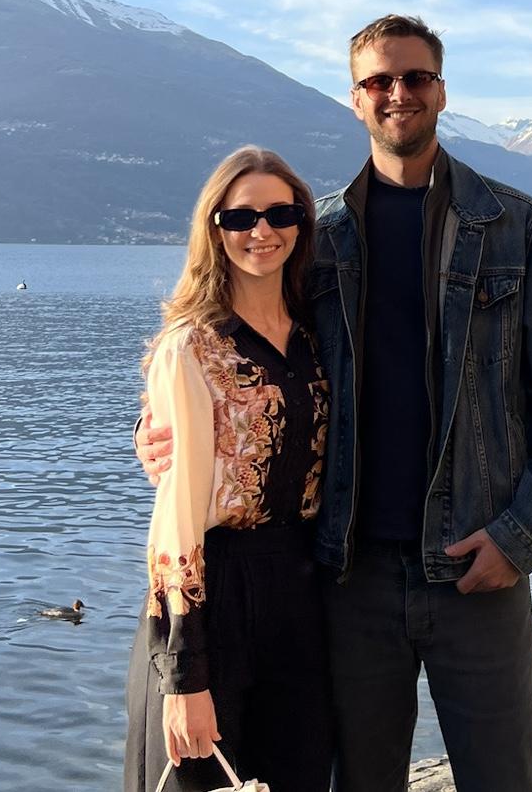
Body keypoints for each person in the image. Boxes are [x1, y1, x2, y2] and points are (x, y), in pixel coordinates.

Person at [139, 14, 532, 792]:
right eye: (378, 82)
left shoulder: (515, 228)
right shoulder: (315, 234)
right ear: (355, 100)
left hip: (476, 569)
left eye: (415, 77)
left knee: (504, 781)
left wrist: (522, 536)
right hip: (347, 578)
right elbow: (232, 352)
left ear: (441, 91)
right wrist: (159, 429)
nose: (398, 93)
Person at [123, 147, 333, 792]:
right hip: (214, 596)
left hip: (303, 595)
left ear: (302, 223)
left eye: (280, 213)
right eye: (240, 218)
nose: (261, 231)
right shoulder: (191, 346)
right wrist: (186, 674)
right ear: (214, 228)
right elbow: (176, 518)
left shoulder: (318, 335)